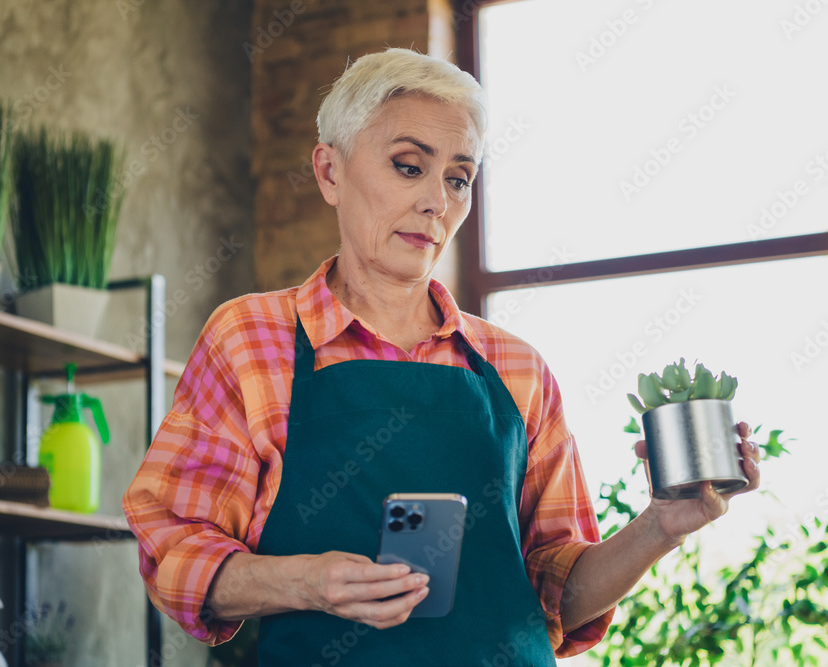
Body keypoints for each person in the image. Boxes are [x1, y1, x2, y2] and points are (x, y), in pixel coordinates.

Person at [123, 48, 761, 665]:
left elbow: (554, 594)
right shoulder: (250, 338)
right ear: (329, 172)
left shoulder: (517, 369)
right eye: (408, 166)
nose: (437, 201)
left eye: (459, 178)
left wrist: (661, 526)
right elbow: (175, 552)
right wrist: (304, 583)